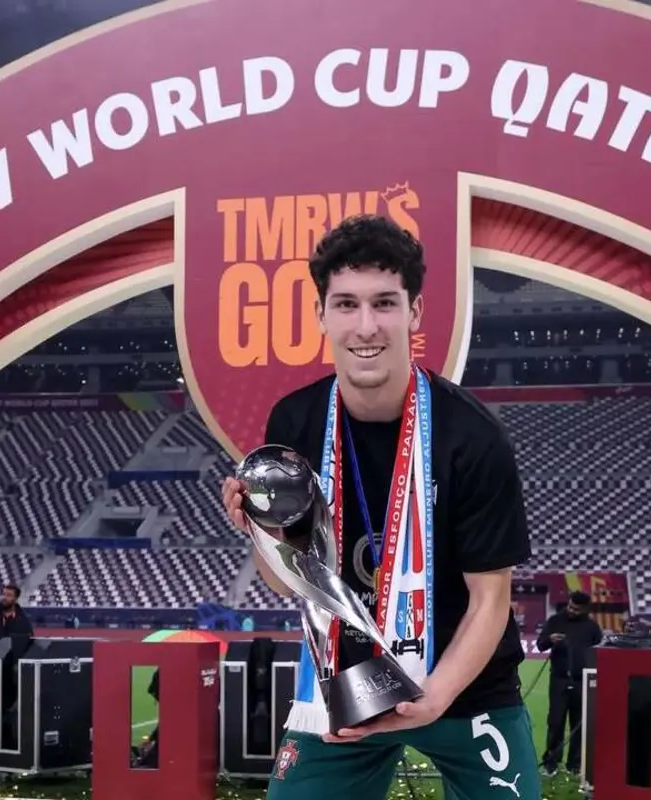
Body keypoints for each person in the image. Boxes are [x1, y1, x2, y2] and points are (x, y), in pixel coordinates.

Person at [220, 215, 540, 800]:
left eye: (384, 304)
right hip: (347, 684)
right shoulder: (294, 423)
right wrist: (258, 534)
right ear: (320, 313)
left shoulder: (472, 436)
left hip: (465, 687)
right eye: (345, 304)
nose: (365, 327)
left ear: (414, 312)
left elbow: (491, 598)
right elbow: (291, 580)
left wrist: (435, 697)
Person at [535, 591, 602, 777]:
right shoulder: (555, 621)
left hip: (582, 681)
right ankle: (551, 763)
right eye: (570, 606)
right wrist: (550, 640)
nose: (571, 610)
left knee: (577, 725)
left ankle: (574, 765)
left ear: (585, 610)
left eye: (576, 609)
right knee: (555, 722)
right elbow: (540, 644)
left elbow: (600, 652)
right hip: (559, 679)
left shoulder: (592, 627)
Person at [0, 582, 34, 656]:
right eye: (3, 594)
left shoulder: (23, 620)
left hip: (14, 662)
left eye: (9, 595)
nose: (4, 597)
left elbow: (28, 642)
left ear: (16, 598)